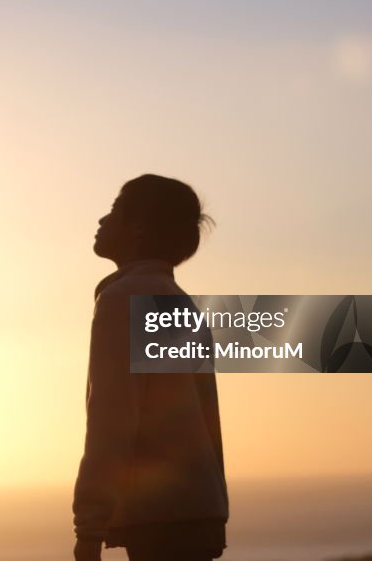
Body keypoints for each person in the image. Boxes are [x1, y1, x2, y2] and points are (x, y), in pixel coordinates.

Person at [73, 174, 229, 561]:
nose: (101, 221)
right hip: (198, 513)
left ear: (138, 230)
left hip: (159, 520)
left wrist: (89, 527)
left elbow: (113, 418)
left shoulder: (123, 299)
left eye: (113, 211)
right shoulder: (179, 302)